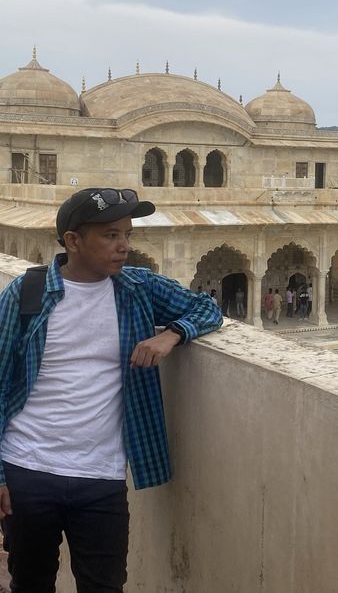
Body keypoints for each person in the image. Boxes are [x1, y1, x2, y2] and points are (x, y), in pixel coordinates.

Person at [0, 187, 223, 592]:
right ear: (73, 240)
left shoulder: (137, 288)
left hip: (100, 476)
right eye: (110, 235)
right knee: (30, 583)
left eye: (127, 234)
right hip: (27, 469)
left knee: (104, 586)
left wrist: (171, 335)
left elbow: (207, 308)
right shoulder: (26, 294)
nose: (123, 246)